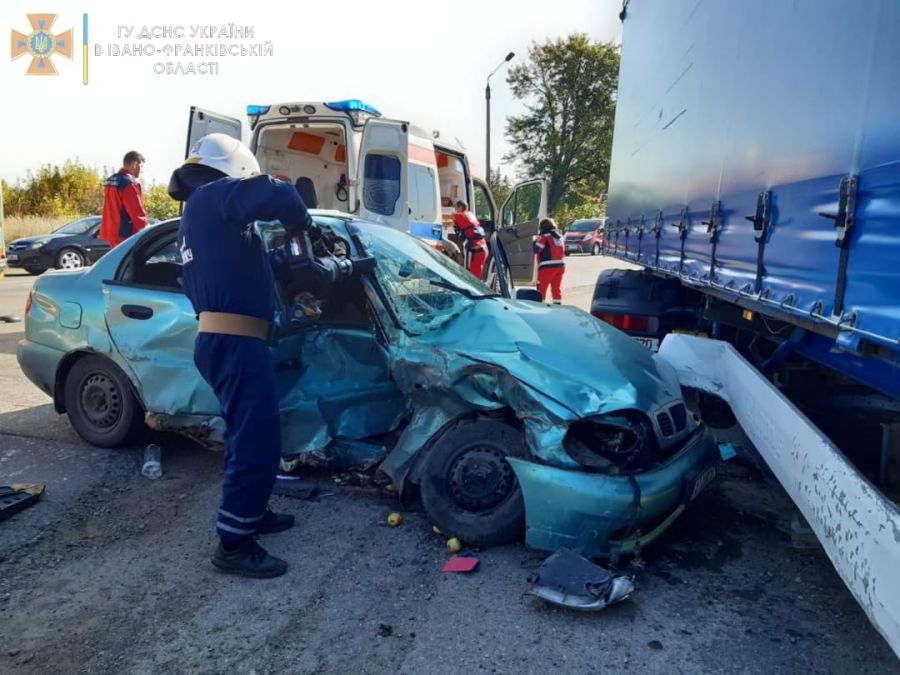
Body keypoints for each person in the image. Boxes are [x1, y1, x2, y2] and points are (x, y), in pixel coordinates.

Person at [168, 133, 312, 578]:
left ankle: (252, 512)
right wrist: (299, 220)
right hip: (235, 342)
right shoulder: (214, 196)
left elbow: (247, 269)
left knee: (248, 435)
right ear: (234, 172)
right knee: (256, 439)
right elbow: (276, 193)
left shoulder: (201, 218)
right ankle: (233, 544)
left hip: (227, 341)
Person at [100, 151, 149, 247]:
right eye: (142, 166)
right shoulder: (128, 183)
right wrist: (146, 230)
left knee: (116, 260)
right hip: (124, 233)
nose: (142, 170)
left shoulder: (111, 180)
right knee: (128, 261)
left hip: (110, 231)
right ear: (135, 165)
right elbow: (136, 211)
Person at [452, 200, 488, 280]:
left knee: (473, 280)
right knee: (475, 278)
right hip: (483, 250)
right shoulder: (470, 214)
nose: (455, 210)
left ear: (460, 207)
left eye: (456, 208)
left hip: (478, 252)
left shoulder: (461, 215)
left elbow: (445, 217)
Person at [534, 217, 566, 304]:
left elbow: (536, 250)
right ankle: (557, 306)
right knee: (556, 289)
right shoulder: (559, 236)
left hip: (547, 266)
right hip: (560, 266)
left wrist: (534, 242)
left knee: (541, 289)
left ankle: (540, 306)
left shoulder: (544, 236)